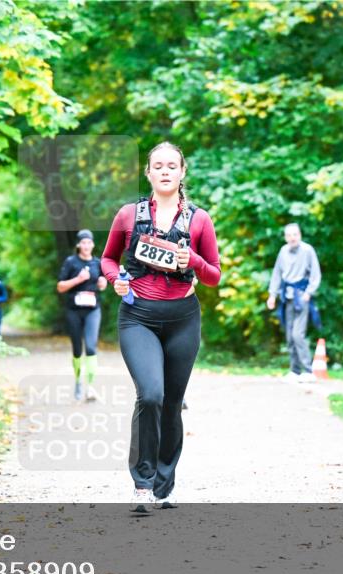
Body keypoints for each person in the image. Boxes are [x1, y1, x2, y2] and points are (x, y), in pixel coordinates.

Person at [101, 141, 222, 513]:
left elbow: (215, 276)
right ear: (148, 173)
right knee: (150, 394)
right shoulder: (128, 215)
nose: (166, 171)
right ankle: (142, 481)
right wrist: (115, 279)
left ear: (182, 172)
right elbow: (107, 259)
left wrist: (195, 260)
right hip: (138, 317)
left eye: (173, 165)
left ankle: (164, 485)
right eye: (158, 165)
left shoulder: (199, 219)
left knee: (171, 403)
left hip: (183, 318)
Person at [266, 223, 322, 383]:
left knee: (298, 334)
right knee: (290, 336)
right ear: (285, 237)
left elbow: (316, 274)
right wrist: (272, 295)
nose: (292, 238)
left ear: (300, 235)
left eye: (295, 234)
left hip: (302, 296)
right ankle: (295, 371)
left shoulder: (307, 250)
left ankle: (308, 370)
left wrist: (309, 293)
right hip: (287, 297)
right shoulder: (283, 251)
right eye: (289, 235)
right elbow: (277, 274)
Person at [57, 230, 108, 401]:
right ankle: (78, 381)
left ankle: (90, 387)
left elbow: (102, 284)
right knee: (78, 349)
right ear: (78, 245)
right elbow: (60, 287)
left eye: (89, 242)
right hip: (73, 310)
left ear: (93, 244)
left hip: (93, 309)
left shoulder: (97, 263)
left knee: (91, 347)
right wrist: (78, 279)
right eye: (83, 243)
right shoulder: (71, 262)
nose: (86, 246)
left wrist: (103, 283)